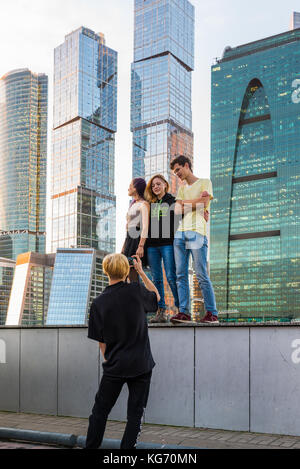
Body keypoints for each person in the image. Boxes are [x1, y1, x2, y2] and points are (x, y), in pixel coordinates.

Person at [85, 253, 160, 449]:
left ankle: (91, 447)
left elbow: (101, 343)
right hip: (141, 365)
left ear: (106, 271)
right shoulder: (136, 291)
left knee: (100, 411)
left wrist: (111, 361)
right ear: (127, 270)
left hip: (114, 366)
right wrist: (142, 273)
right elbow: (157, 298)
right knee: (135, 415)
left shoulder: (98, 303)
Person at [169, 155, 219, 324]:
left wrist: (187, 204)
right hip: (180, 233)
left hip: (197, 232)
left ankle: (212, 313)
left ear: (186, 165)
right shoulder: (181, 189)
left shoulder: (205, 182)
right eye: (174, 172)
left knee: (201, 274)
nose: (177, 174)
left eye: (178, 170)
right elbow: (177, 210)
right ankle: (184, 312)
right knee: (180, 275)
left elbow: (204, 201)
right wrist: (197, 202)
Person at [144, 174, 180, 323]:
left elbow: (182, 214)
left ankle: (181, 310)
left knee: (172, 276)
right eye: (153, 186)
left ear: (165, 184)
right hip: (152, 246)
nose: (155, 187)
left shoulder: (172, 201)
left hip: (167, 244)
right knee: (156, 279)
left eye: (158, 184)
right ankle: (161, 311)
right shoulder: (150, 204)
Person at [122, 178, 149, 282]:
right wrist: (123, 247)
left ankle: (136, 297)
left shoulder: (144, 204)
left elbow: (145, 226)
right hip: (129, 239)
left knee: (133, 271)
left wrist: (141, 246)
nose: (128, 188)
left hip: (136, 239)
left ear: (137, 188)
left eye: (131, 185)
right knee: (125, 272)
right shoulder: (133, 204)